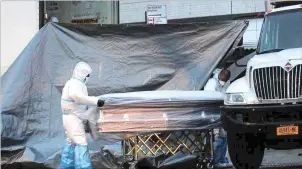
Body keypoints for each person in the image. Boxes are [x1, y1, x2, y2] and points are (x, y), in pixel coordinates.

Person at [59, 62, 105, 169]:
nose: (87, 78)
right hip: (73, 118)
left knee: (71, 143)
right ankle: (83, 167)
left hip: (71, 117)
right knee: (81, 142)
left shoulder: (73, 83)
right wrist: (96, 101)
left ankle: (66, 166)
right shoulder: (75, 84)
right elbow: (78, 97)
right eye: (87, 75)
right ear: (83, 74)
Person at [204, 68, 232, 168]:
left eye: (226, 80)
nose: (224, 82)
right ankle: (216, 161)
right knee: (217, 139)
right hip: (213, 113)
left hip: (223, 112)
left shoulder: (226, 82)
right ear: (219, 75)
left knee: (224, 138)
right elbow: (209, 98)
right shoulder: (212, 83)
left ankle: (223, 159)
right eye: (223, 80)